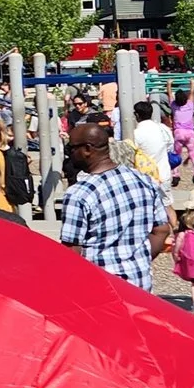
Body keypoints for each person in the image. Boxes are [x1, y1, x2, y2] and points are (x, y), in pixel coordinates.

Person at [57, 123, 173, 290]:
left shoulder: (79, 194)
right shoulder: (142, 179)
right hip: (140, 286)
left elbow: (71, 253)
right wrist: (139, 258)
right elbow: (162, 230)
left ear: (88, 149)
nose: (69, 154)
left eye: (71, 148)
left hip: (100, 290)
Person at [129, 100, 175, 183]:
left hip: (146, 178)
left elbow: (131, 155)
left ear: (136, 115)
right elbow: (170, 147)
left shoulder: (136, 134)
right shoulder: (163, 128)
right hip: (164, 174)